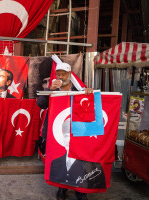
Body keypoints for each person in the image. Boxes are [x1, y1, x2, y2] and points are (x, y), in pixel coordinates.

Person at [37, 62, 94, 200]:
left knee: (79, 161)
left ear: (69, 75)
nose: (61, 77)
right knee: (61, 159)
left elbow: (90, 105)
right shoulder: (53, 88)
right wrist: (50, 90)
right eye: (59, 74)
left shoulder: (79, 88)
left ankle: (80, 191)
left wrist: (89, 92)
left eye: (63, 74)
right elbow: (40, 103)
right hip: (58, 130)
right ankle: (61, 188)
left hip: (77, 130)